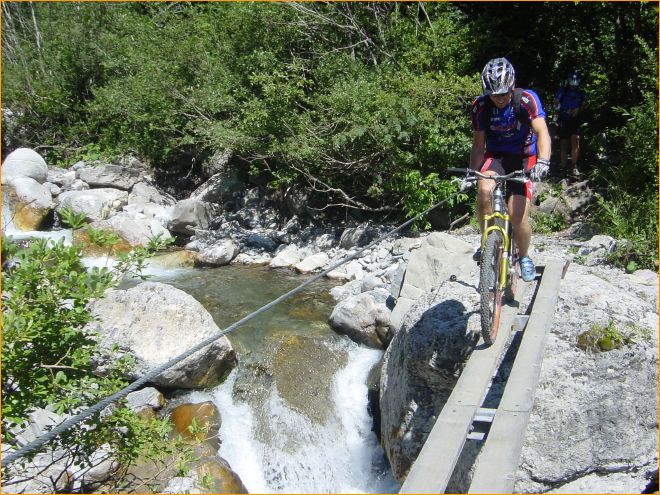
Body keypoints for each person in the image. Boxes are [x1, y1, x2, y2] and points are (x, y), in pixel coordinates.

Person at [467, 57, 551, 283]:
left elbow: (542, 131)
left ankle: (524, 256)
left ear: (512, 86)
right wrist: (471, 173)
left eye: (504, 93)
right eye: (495, 94)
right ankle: (488, 242)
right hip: (496, 157)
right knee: (484, 190)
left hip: (524, 158)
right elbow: (478, 145)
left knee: (517, 217)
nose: (500, 98)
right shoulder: (481, 107)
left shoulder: (526, 100)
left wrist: (543, 161)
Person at [554, 70, 587, 176]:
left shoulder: (581, 93)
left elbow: (585, 104)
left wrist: (579, 108)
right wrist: (557, 107)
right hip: (564, 118)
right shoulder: (563, 91)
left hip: (575, 120)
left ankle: (574, 165)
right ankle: (563, 166)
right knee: (563, 143)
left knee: (575, 141)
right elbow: (556, 101)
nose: (573, 87)